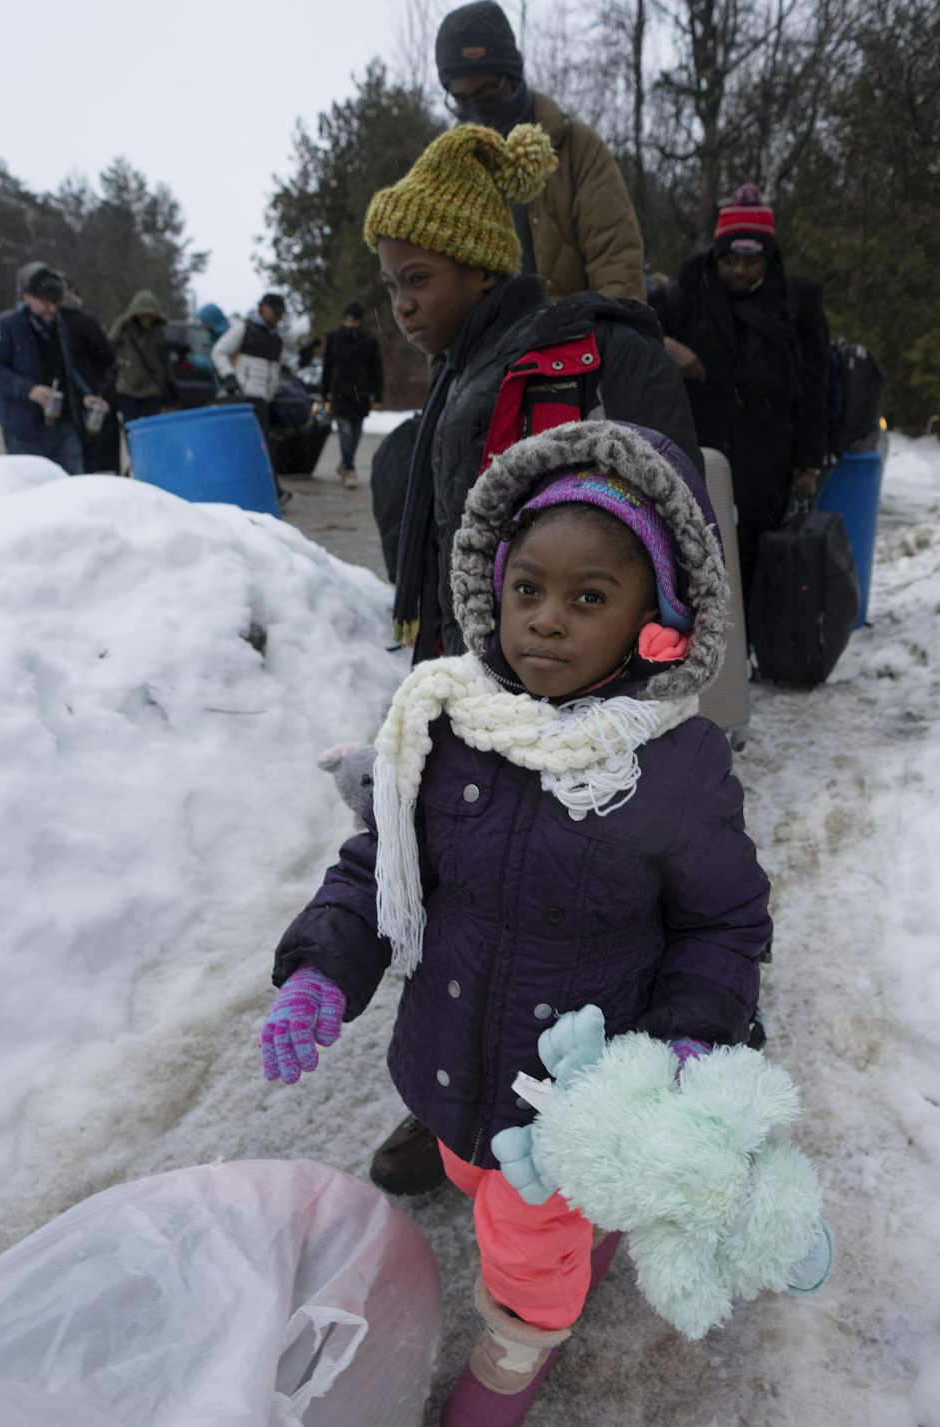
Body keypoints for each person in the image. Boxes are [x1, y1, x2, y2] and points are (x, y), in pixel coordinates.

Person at [262, 419, 771, 1424]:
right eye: (527, 588)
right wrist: (323, 964)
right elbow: (383, 862)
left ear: (656, 617)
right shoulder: (448, 721)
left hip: (573, 1090)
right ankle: (592, 1211)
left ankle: (516, 1349)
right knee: (471, 1165)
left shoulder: (675, 764)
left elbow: (723, 919)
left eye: (590, 598)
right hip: (451, 1051)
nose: (545, 620)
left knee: (530, 1238)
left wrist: (686, 1039)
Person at [359, 120, 702, 1198]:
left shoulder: (574, 359)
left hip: (569, 688)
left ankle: (593, 1112)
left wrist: (655, 674)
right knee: (465, 901)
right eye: (393, 286)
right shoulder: (464, 371)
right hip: (475, 678)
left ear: (476, 263)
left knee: (567, 910)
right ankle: (454, 1110)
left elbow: (670, 523)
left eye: (417, 279)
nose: (402, 305)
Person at [651, 185, 830, 609]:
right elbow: (635, 323)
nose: (738, 270)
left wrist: (809, 462)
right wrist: (668, 346)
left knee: (754, 558)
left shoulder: (796, 303)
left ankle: (748, 651)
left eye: (750, 261)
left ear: (767, 258)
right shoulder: (688, 292)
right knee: (697, 555)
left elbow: (814, 386)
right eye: (729, 259)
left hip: (768, 454)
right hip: (701, 449)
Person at [434, 1, 643, 302]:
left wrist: (610, 343)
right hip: (490, 348)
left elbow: (618, 264)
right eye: (462, 101)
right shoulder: (447, 170)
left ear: (514, 77)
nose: (477, 113)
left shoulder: (577, 149)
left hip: (574, 342)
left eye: (488, 94)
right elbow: (439, 294)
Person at [0, 264, 106, 475]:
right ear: (27, 297)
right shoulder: (5, 325)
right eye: (45, 302)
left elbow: (68, 368)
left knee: (74, 483)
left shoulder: (59, 325)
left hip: (64, 424)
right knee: (32, 488)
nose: (52, 309)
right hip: (24, 428)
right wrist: (29, 390)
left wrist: (85, 395)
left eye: (55, 303)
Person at [320, 301, 383, 489]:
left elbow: (376, 371)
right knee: (345, 433)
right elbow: (327, 367)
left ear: (360, 321)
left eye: (354, 320)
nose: (350, 323)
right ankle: (350, 469)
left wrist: (378, 396)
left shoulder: (369, 342)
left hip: (360, 395)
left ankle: (345, 463)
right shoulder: (334, 338)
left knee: (356, 434)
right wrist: (324, 394)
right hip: (339, 393)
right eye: (347, 319)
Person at [212, 292, 293, 434]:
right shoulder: (244, 328)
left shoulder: (277, 340)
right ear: (263, 308)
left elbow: (281, 367)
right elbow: (218, 352)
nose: (277, 317)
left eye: (280, 314)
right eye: (274, 312)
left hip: (266, 401)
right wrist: (229, 376)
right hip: (244, 398)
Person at [60, 282, 118, 471]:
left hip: (63, 397)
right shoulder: (83, 321)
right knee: (90, 454)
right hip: (89, 395)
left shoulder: (42, 323)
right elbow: (108, 355)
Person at [107, 289, 177, 424]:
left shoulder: (158, 333)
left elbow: (164, 360)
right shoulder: (124, 329)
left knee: (151, 428)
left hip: (151, 388)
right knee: (131, 428)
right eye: (143, 315)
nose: (146, 319)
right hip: (127, 387)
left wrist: (169, 384)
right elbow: (109, 346)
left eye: (149, 315)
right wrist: (120, 324)